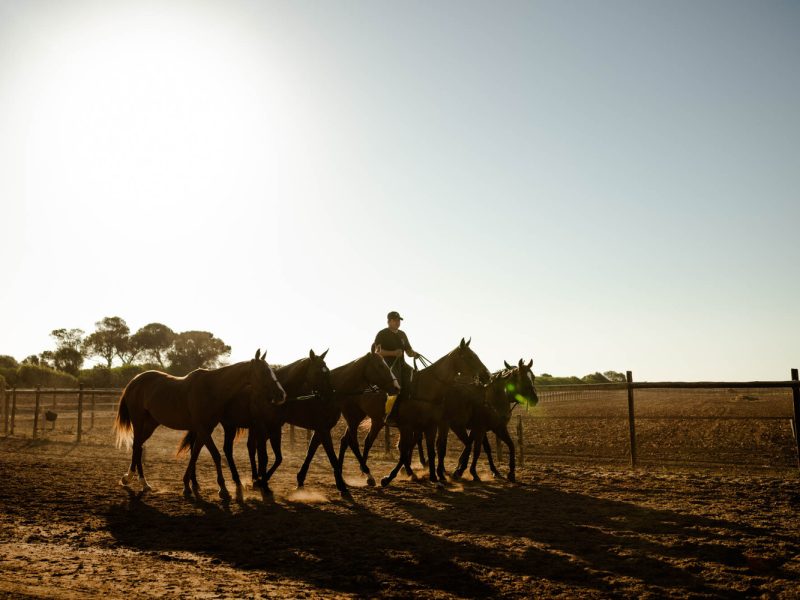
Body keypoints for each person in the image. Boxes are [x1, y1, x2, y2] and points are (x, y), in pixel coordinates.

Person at [374, 311, 420, 424]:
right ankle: (391, 415)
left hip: (401, 364)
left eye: (399, 320)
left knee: (416, 378)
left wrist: (414, 354)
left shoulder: (402, 334)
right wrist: (393, 353)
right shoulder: (382, 334)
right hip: (387, 366)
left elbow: (408, 352)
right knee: (396, 387)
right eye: (395, 320)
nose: (398, 322)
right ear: (389, 321)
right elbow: (377, 352)